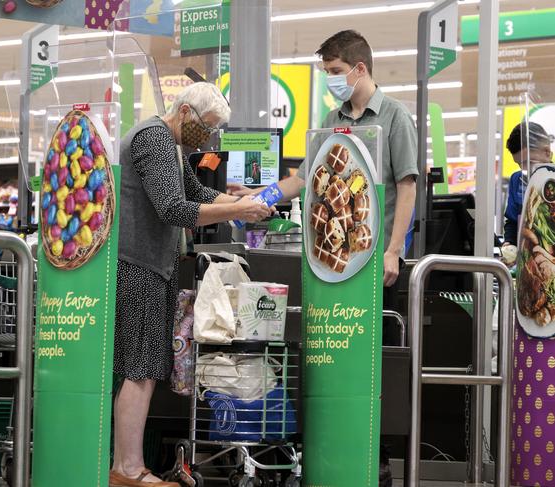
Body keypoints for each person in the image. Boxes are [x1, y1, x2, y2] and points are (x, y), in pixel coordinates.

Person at [228, 30, 418, 487]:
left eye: (335, 72)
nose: (332, 80)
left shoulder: (395, 117)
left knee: (371, 373)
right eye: (327, 73)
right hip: (331, 268)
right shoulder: (330, 121)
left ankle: (373, 460)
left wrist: (394, 249)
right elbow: (300, 179)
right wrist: (258, 195)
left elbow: (407, 185)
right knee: (329, 363)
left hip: (376, 263)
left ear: (359, 69)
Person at [109, 82, 271, 487]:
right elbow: (173, 208)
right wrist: (237, 209)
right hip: (138, 265)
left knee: (142, 367)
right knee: (139, 368)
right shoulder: (156, 139)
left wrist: (237, 201)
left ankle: (126, 465)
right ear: (183, 112)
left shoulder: (169, 142)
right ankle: (127, 470)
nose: (209, 136)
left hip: (149, 265)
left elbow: (195, 192)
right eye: (207, 126)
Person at [501, 121, 553, 266]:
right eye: (519, 164)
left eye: (529, 162)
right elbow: (512, 220)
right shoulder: (517, 180)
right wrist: (509, 243)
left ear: (547, 152)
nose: (525, 169)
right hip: (528, 268)